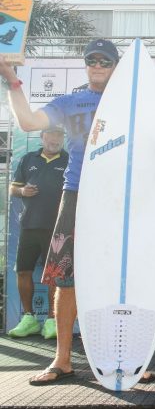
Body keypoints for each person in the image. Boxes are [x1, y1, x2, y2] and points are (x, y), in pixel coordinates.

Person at [0, 39, 153, 385]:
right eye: (91, 59)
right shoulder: (72, 101)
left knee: (120, 281)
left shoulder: (135, 104)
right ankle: (62, 360)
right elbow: (27, 121)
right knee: (66, 281)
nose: (97, 65)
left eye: (105, 60)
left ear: (117, 66)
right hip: (77, 194)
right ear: (85, 64)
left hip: (119, 198)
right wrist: (12, 80)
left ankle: (127, 362)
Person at [8, 126, 67, 340]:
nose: (55, 139)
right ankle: (29, 318)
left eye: (59, 135)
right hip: (29, 226)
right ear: (42, 137)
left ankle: (52, 320)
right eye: (51, 135)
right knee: (23, 271)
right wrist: (22, 191)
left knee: (53, 274)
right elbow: (13, 189)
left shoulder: (69, 160)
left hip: (58, 229)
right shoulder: (27, 159)